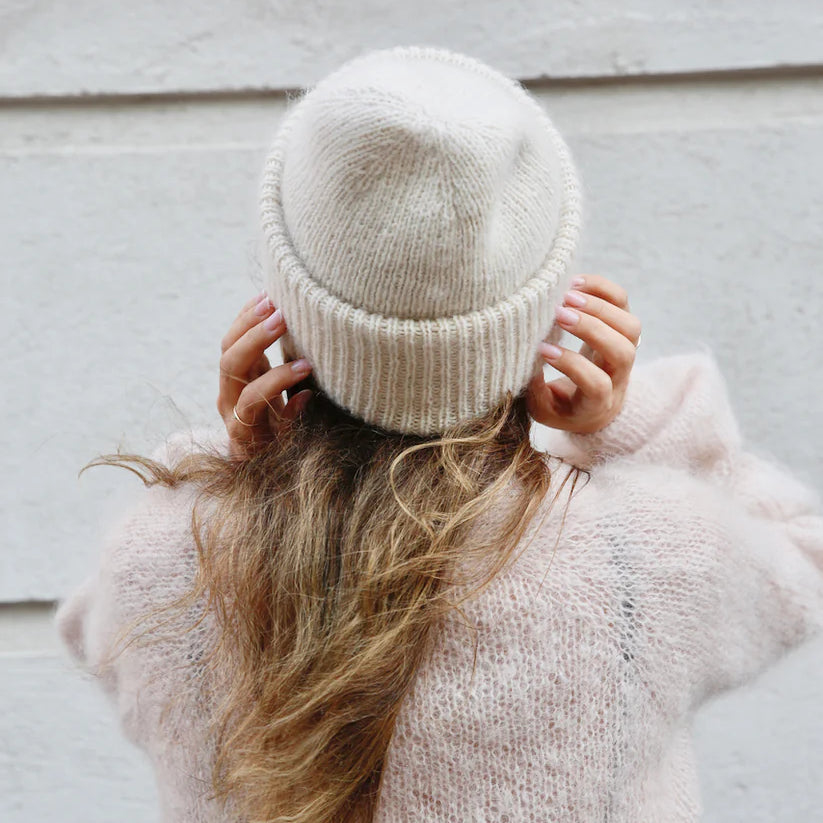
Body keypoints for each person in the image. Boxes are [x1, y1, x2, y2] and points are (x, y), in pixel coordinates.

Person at [55, 46, 823, 823]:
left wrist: (239, 464)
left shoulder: (167, 564)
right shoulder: (649, 558)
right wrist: (622, 426)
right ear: (542, 309)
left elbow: (94, 630)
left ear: (284, 305)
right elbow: (799, 558)